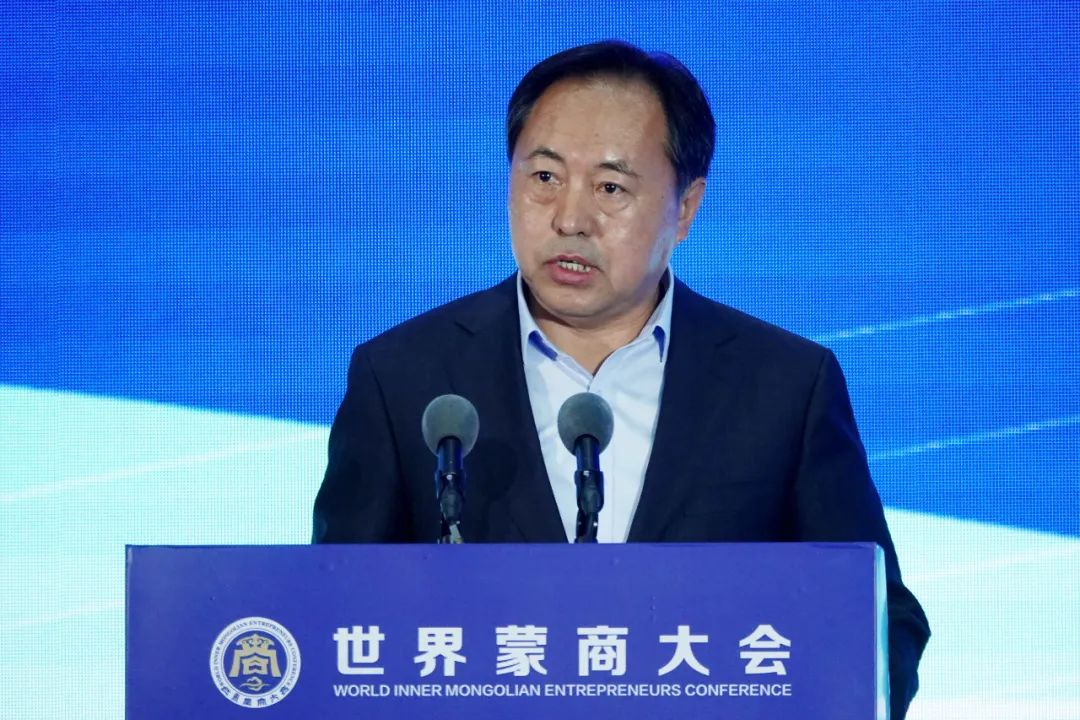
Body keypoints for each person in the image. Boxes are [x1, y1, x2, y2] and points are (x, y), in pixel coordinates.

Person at [313, 40, 929, 717]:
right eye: (543, 177)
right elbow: (335, 613)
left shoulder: (785, 386)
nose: (570, 219)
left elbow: (879, 619)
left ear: (686, 207)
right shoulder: (403, 377)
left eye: (610, 188)